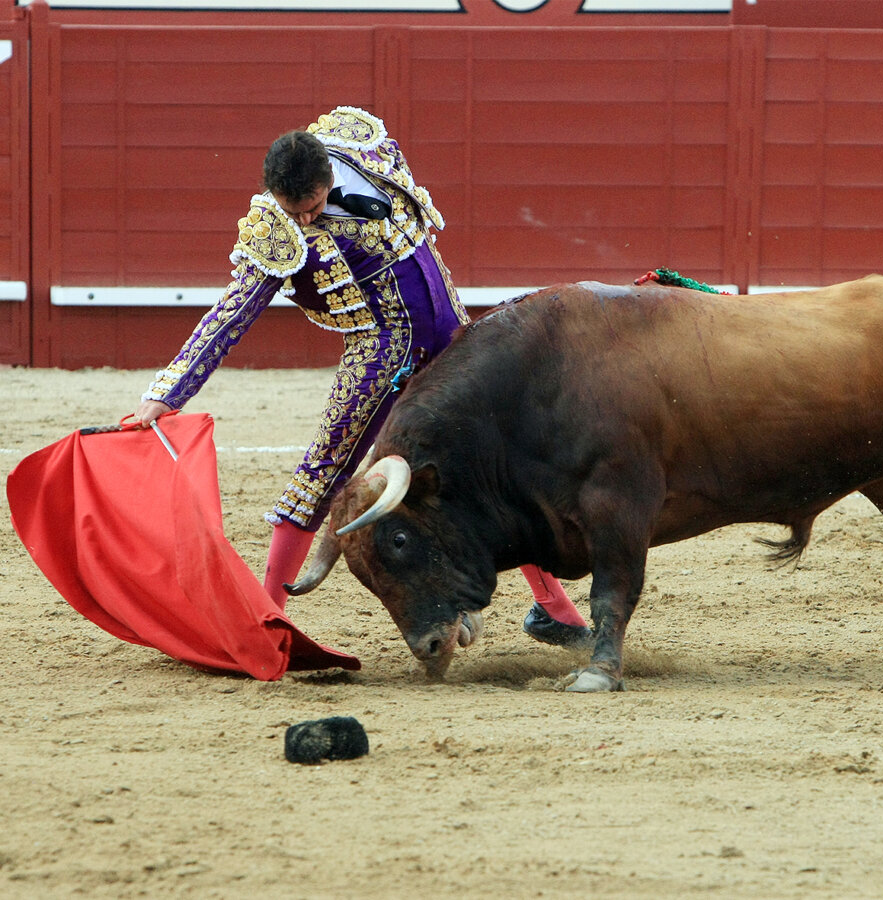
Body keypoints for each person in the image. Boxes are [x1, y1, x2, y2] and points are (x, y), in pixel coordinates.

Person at [133, 105, 590, 647]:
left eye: (312, 207)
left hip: (455, 340)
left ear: (329, 177)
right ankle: (267, 620)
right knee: (322, 472)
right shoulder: (275, 230)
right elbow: (232, 314)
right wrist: (169, 392)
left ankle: (554, 611)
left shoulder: (361, 144)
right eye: (294, 211)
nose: (305, 221)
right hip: (381, 355)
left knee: (496, 466)